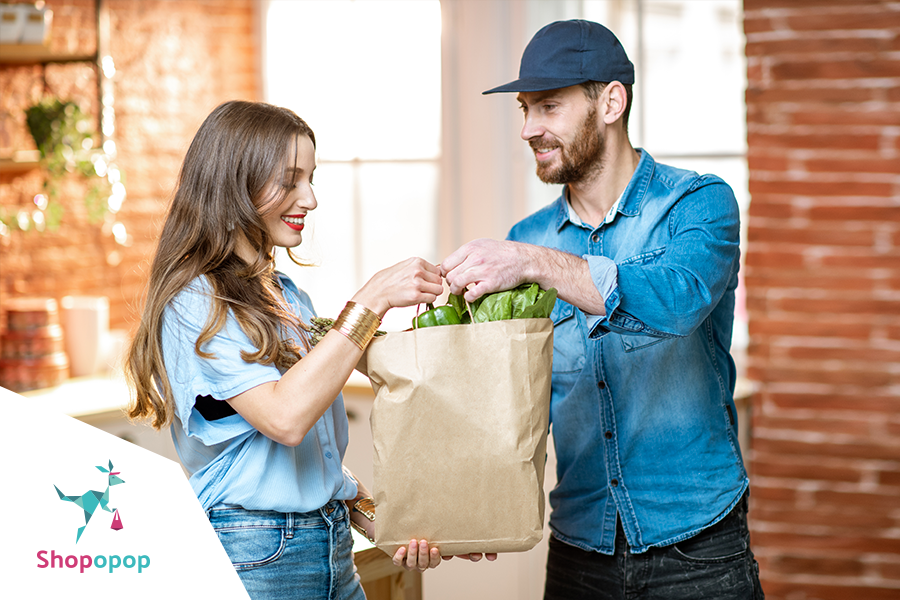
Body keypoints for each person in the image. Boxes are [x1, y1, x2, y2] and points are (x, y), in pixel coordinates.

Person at [441, 20, 764, 600]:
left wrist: (536, 265)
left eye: (548, 107)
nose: (529, 129)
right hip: (579, 554)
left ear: (610, 101)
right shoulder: (530, 237)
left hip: (698, 550)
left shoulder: (697, 203)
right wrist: (458, 512)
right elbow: (519, 404)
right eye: (524, 110)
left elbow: (677, 298)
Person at [125, 100, 487, 600]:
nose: (310, 198)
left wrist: (395, 522)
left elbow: (311, 460)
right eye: (290, 180)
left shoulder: (289, 295)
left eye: (310, 178)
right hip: (255, 553)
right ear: (236, 184)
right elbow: (285, 418)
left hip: (329, 542)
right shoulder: (196, 300)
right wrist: (372, 299)